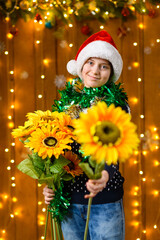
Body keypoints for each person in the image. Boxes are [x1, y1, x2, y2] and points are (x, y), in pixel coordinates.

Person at [43, 30, 129, 240]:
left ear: (111, 72)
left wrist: (105, 174)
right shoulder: (66, 105)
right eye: (90, 62)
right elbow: (56, 148)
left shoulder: (117, 105)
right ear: (80, 65)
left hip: (104, 202)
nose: (95, 71)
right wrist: (50, 183)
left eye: (104, 66)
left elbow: (114, 147)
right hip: (69, 201)